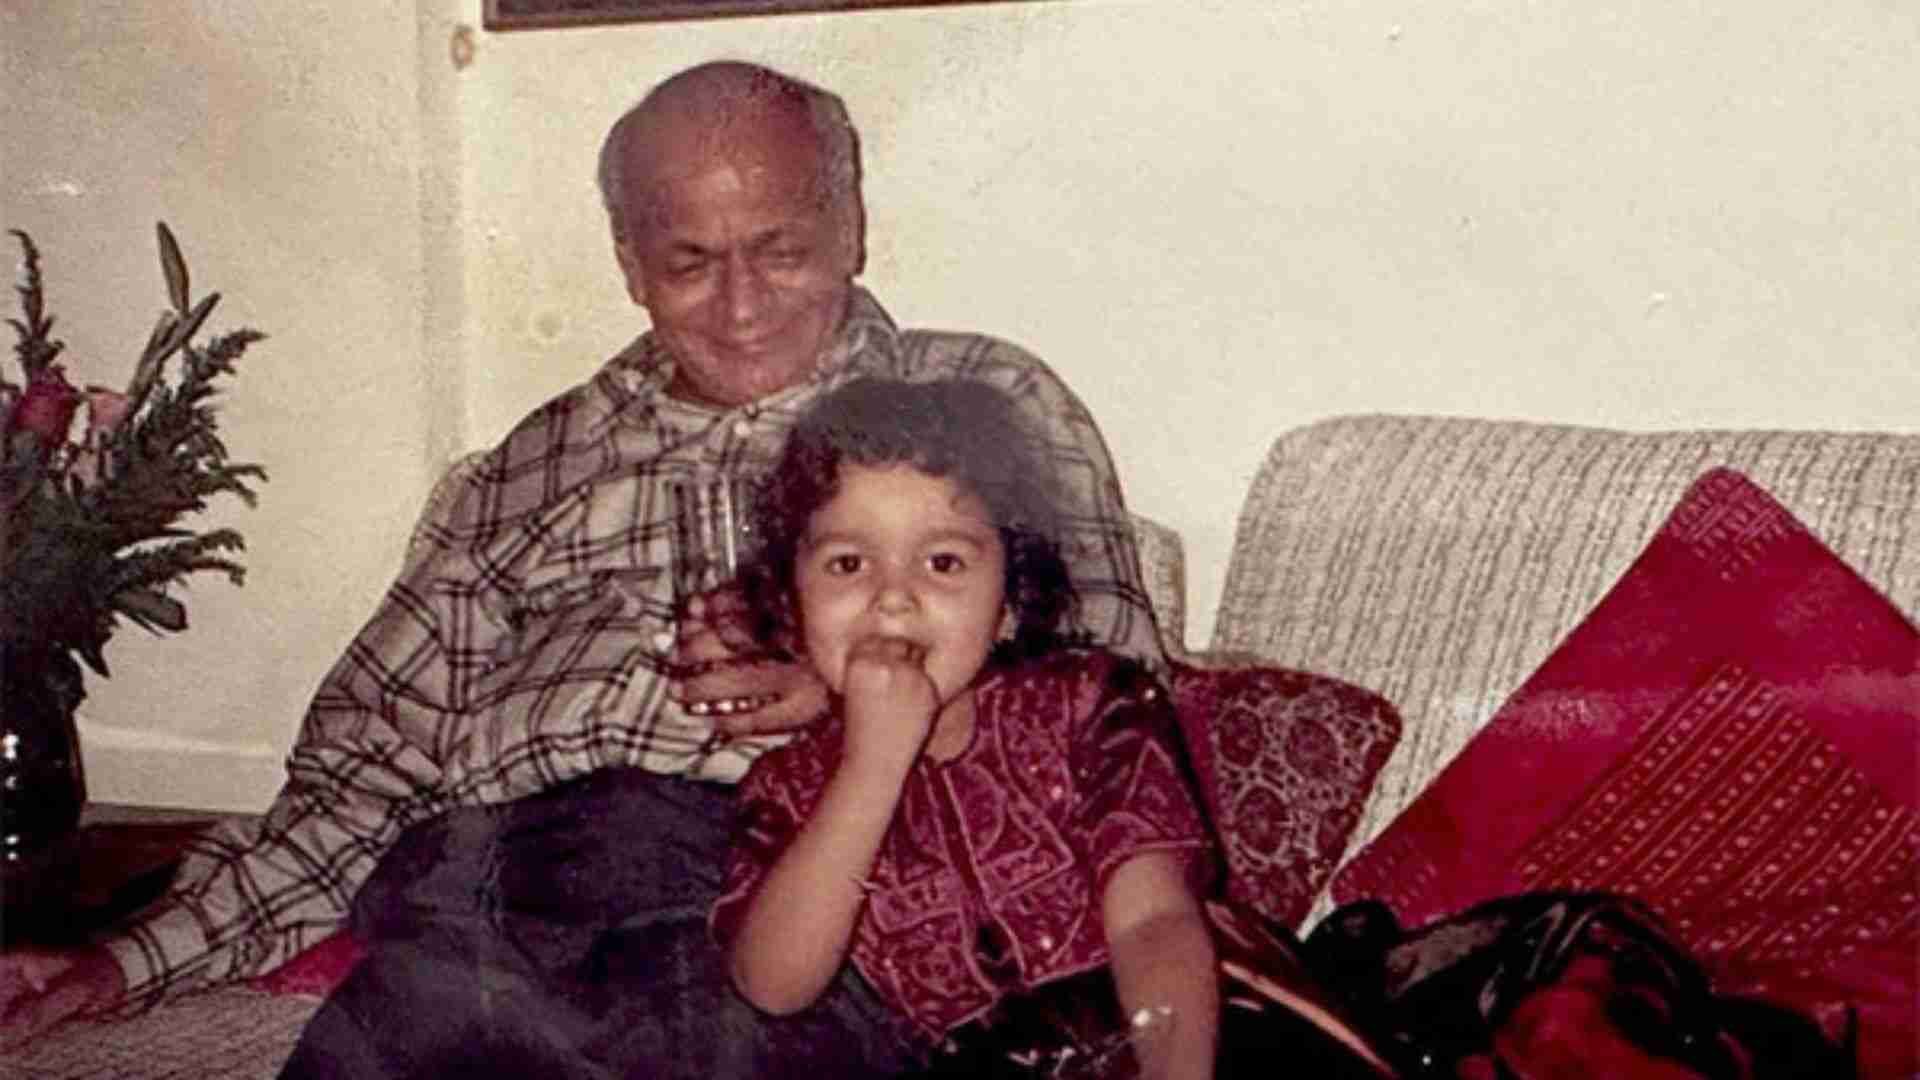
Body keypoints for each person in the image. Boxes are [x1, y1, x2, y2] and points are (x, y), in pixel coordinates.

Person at [0, 60, 1166, 1076]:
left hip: (781, 888)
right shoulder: (524, 469)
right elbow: (358, 780)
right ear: (628, 262)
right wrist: (120, 965)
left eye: (782, 250)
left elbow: (1113, 701)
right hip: (481, 893)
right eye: (691, 262)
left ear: (850, 225)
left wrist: (863, 700)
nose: (744, 303)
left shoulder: (983, 405)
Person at [713, 376, 1219, 1080]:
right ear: (794, 607)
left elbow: (1153, 922)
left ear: (1009, 603)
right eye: (848, 563)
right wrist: (872, 765)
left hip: (1181, 1031)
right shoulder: (787, 791)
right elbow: (772, 982)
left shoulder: (1091, 705)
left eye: (943, 562)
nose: (893, 597)